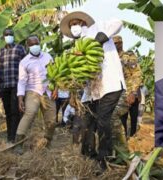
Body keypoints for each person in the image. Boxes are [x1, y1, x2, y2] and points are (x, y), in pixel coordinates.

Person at [60, 11, 126, 171]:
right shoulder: (76, 46)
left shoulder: (98, 27)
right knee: (86, 123)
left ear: (83, 22)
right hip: (92, 91)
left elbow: (118, 22)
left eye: (76, 23)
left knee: (103, 120)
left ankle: (104, 160)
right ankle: (87, 155)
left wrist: (99, 39)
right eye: (71, 25)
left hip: (110, 84)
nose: (74, 27)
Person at [13, 35, 57, 155]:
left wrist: (56, 89)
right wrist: (20, 99)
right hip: (32, 91)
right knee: (30, 113)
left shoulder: (48, 57)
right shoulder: (24, 62)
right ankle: (18, 144)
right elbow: (21, 82)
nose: (34, 46)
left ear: (40, 43)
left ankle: (47, 141)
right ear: (28, 46)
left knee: (52, 120)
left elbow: (55, 74)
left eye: (36, 43)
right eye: (31, 44)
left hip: (48, 91)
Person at [0, 28, 26, 143]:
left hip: (16, 84)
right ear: (3, 37)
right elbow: (0, 70)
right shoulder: (1, 51)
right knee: (8, 112)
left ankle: (16, 136)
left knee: (15, 111)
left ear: (13, 36)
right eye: (6, 34)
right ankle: (10, 136)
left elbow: (25, 66)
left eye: (10, 34)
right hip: (5, 86)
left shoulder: (20, 48)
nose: (8, 36)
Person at [112, 35, 142, 141]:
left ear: (121, 43)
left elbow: (136, 74)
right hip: (118, 94)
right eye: (113, 43)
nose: (115, 45)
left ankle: (132, 138)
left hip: (130, 92)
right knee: (121, 119)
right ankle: (124, 141)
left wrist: (133, 92)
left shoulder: (129, 56)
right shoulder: (111, 57)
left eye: (116, 43)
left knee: (133, 119)